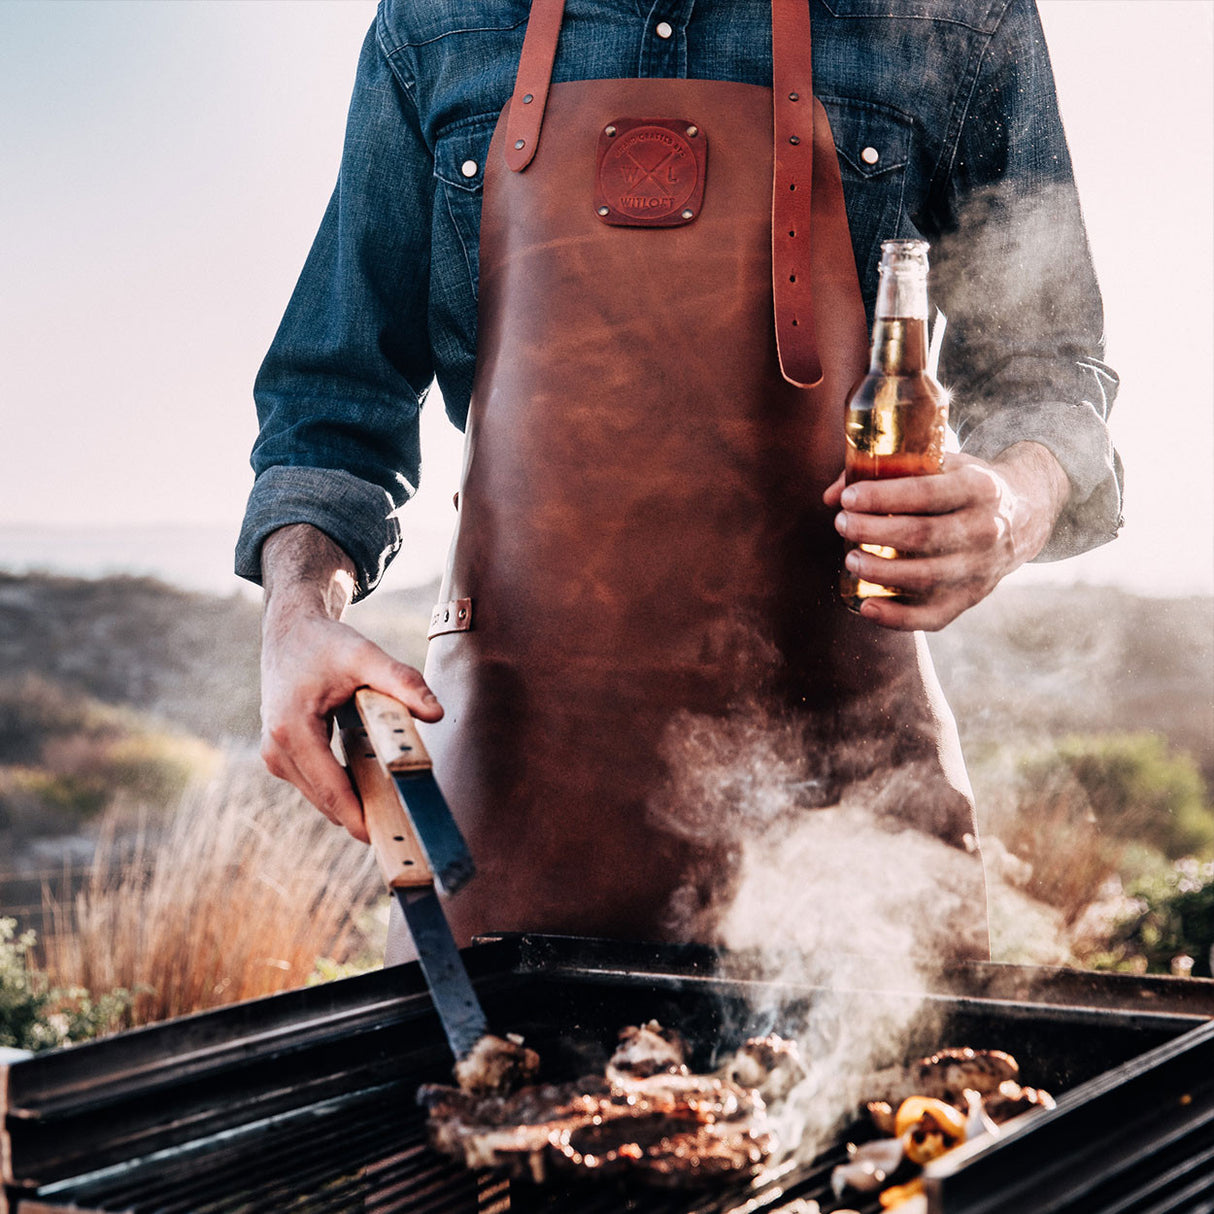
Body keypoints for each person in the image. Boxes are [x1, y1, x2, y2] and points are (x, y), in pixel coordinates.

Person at [236, 0, 1120, 959]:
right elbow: (334, 400)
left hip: (854, 801)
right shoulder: (435, 21)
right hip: (511, 783)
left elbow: (1049, 374)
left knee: (901, 1066)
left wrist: (1014, 501)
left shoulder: (959, 17)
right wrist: (296, 614)